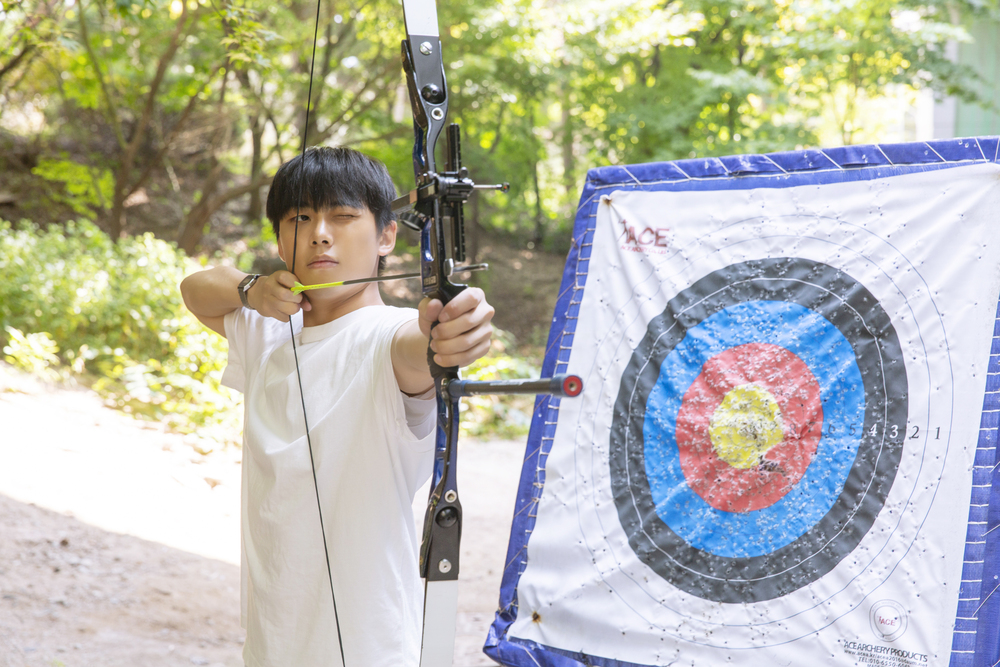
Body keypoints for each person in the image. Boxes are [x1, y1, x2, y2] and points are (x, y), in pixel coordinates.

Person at [179, 146, 494, 667]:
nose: (321, 232)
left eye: (345, 217)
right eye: (300, 218)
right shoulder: (268, 332)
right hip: (271, 643)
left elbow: (423, 351)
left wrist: (453, 330)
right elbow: (196, 289)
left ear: (387, 236)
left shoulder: (389, 338)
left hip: (370, 648)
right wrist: (251, 288)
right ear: (281, 241)